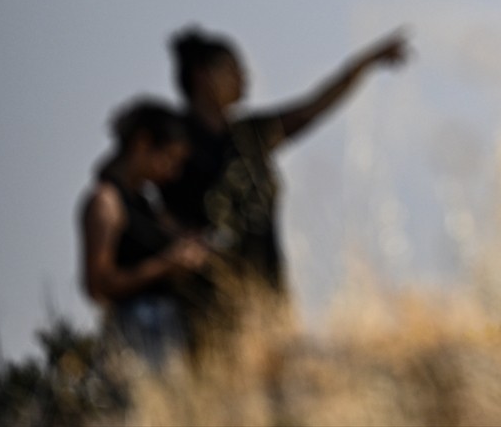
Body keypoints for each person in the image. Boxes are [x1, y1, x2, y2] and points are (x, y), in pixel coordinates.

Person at [159, 25, 411, 332]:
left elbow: (312, 108)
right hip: (206, 302)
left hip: (267, 291)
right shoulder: (170, 144)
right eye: (232, 68)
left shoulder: (250, 136)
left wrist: (367, 62)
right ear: (202, 75)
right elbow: (133, 198)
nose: (244, 77)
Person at [79, 99, 210, 371]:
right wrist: (166, 265)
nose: (172, 172)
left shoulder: (145, 203)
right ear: (142, 144)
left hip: (166, 332)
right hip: (136, 336)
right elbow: (98, 284)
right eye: (169, 159)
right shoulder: (106, 203)